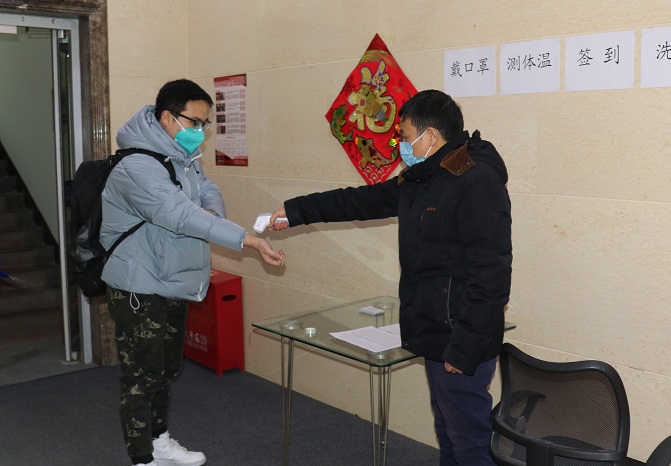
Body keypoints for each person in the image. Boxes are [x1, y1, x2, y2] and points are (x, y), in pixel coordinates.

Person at [269, 90, 511, 465]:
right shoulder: (423, 178)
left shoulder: (476, 182)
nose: (401, 145)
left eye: (406, 136)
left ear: (431, 136)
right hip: (437, 330)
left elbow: (491, 276)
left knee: (470, 442)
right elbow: (358, 201)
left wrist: (463, 349)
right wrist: (296, 211)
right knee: (449, 431)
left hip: (460, 338)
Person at [100, 79, 285, 466]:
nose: (200, 131)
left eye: (205, 124)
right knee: (143, 375)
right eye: (195, 122)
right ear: (168, 117)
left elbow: (206, 188)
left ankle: (159, 440)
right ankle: (142, 458)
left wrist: (212, 212)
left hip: (172, 279)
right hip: (139, 285)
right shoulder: (136, 166)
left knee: (166, 369)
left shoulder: (181, 157)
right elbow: (181, 214)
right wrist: (248, 240)